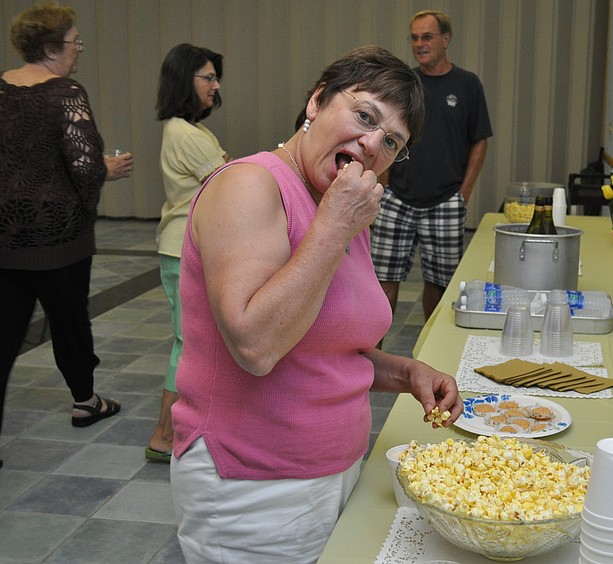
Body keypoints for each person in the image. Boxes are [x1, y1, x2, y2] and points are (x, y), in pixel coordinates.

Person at [169, 45, 463, 563]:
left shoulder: (338, 201)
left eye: (392, 141)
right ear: (316, 103)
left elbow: (324, 347)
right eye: (364, 115)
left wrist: (405, 372)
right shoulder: (251, 185)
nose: (373, 144)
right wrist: (334, 226)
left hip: (334, 472)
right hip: (255, 488)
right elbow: (256, 344)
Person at [0, 1, 134, 468]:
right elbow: (82, 164)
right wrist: (106, 171)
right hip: (58, 237)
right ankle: (85, 401)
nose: (79, 50)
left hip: (5, 235)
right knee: (70, 320)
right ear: (54, 47)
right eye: (75, 42)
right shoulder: (64, 92)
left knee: (3, 334)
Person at [371, 10, 492, 321]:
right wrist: (382, 186)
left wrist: (463, 194)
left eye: (427, 36)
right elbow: (386, 136)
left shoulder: (467, 84)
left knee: (439, 284)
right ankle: (373, 366)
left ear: (446, 40)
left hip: (446, 201)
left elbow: (480, 140)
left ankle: (429, 357)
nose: (419, 44)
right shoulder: (404, 84)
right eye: (414, 37)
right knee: (382, 282)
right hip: (397, 198)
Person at [145, 43, 229, 464]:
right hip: (182, 250)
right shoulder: (184, 132)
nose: (215, 86)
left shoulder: (190, 130)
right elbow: (227, 185)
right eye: (208, 77)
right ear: (185, 80)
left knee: (191, 340)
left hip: (185, 247)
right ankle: (163, 434)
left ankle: (178, 426)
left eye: (216, 78)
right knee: (187, 342)